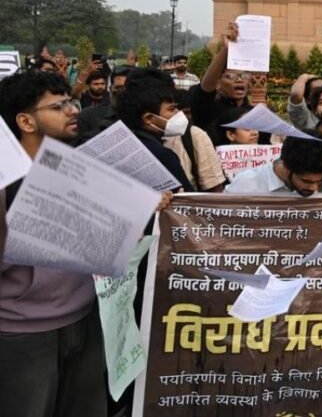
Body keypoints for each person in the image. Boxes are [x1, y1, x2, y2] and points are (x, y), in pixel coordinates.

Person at [0, 71, 107, 416]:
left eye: (70, 102)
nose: (72, 110)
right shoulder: (6, 181)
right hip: (23, 334)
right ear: (25, 121)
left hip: (85, 319)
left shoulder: (77, 167)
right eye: (58, 107)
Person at [115, 68, 193, 192]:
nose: (178, 114)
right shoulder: (163, 155)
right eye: (171, 109)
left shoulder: (121, 144)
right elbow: (187, 197)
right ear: (149, 118)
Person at [225, 134, 322, 195]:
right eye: (306, 181)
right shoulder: (247, 184)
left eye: (320, 181)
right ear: (286, 167)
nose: (314, 188)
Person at [164, 91, 227, 192]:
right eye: (172, 110)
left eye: (187, 113)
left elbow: (214, 187)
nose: (181, 118)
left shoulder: (194, 135)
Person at [76, 67, 127, 143]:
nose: (100, 87)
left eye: (102, 84)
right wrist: (83, 75)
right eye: (96, 84)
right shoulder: (86, 113)